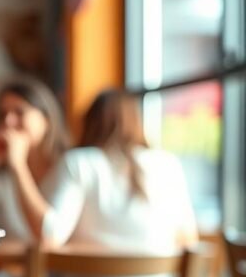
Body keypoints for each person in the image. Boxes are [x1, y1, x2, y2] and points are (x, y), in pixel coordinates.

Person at [20, 90, 198, 253]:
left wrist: (17, 164)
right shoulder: (167, 164)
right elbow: (188, 239)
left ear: (89, 123)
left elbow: (50, 236)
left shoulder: (79, 163)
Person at [0, 77, 69, 243]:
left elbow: (48, 236)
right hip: (14, 268)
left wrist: (19, 166)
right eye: (3, 114)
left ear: (46, 119)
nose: (8, 121)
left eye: (19, 112)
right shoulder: (2, 174)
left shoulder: (70, 166)